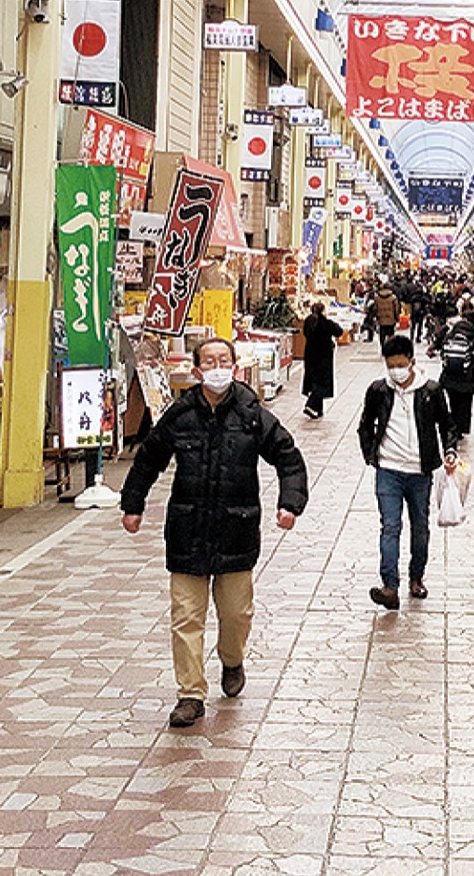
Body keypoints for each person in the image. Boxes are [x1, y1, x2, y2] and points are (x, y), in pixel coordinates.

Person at [120, 337, 308, 728]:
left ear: (235, 366)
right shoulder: (180, 414)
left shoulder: (252, 414)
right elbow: (149, 458)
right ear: (197, 370)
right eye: (210, 361)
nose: (218, 367)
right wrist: (132, 503)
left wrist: (290, 503)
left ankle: (232, 659)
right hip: (187, 530)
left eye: (225, 360)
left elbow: (288, 458)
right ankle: (190, 694)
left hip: (236, 529)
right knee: (186, 616)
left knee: (236, 613)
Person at [358, 334, 457, 609]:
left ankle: (417, 577)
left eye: (401, 364)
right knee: (390, 526)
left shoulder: (432, 390)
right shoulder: (378, 390)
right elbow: (365, 425)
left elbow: (447, 425)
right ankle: (390, 586)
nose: (396, 371)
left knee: (420, 526)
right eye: (391, 366)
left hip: (419, 471)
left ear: (412, 362)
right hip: (388, 469)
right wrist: (371, 455)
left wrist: (449, 451)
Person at [438, 300, 474, 440]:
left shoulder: (452, 334)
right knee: (464, 405)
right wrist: (473, 364)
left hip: (450, 376)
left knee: (453, 402)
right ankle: (460, 428)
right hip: (466, 377)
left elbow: (442, 351)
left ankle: (452, 428)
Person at [300, 300, 343, 419]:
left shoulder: (308, 321)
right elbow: (339, 331)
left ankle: (319, 409)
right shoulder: (326, 323)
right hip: (323, 357)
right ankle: (311, 405)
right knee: (322, 384)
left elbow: (305, 333)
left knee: (314, 381)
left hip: (310, 355)